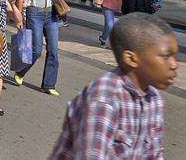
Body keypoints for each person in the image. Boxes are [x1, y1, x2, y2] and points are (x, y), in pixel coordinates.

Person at [49, 13, 177, 159]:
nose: (174, 65)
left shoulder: (154, 99)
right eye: (165, 56)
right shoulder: (104, 99)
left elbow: (154, 154)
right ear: (131, 59)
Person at [10, 0, 63, 96]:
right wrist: (18, 16)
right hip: (35, 13)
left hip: (51, 14)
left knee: (53, 50)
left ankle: (48, 84)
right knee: (36, 50)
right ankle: (21, 71)